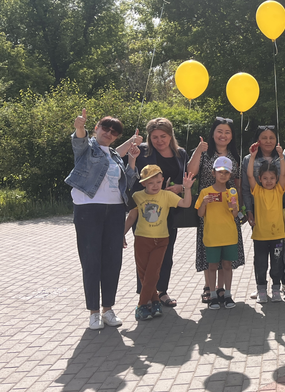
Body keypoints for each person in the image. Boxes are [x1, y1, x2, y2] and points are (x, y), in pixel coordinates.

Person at [67, 109, 141, 330]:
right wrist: (79, 126)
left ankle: (108, 309)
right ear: (96, 128)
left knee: (112, 261)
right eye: (105, 128)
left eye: (114, 132)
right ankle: (94, 312)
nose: (108, 133)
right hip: (88, 209)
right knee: (91, 261)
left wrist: (132, 160)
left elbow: (127, 181)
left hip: (115, 210)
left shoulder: (115, 155)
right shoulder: (87, 148)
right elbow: (79, 140)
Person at [129, 117, 188, 308]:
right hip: (144, 210)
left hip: (169, 210)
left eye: (163, 136)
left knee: (166, 253)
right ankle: (147, 295)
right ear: (149, 137)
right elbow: (131, 175)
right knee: (144, 256)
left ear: (170, 136)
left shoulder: (180, 153)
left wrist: (180, 187)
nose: (159, 140)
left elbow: (186, 178)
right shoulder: (142, 151)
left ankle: (162, 291)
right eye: (154, 137)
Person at [124, 165, 195, 321]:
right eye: (150, 183)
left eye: (158, 182)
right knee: (144, 274)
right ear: (143, 183)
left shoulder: (166, 195)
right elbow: (132, 217)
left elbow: (186, 204)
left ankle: (141, 305)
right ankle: (155, 301)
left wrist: (187, 188)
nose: (155, 186)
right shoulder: (137, 196)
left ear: (163, 180)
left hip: (162, 240)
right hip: (142, 239)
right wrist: (121, 234)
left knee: (153, 273)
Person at [187, 117, 245, 305]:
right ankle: (209, 287)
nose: (223, 135)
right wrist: (198, 150)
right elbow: (190, 172)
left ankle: (222, 288)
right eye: (219, 131)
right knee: (210, 251)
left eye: (227, 132)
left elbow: (238, 182)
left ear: (232, 136)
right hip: (208, 207)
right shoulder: (204, 152)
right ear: (213, 133)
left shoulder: (234, 155)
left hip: (228, 209)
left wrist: (240, 207)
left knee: (226, 252)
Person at [195, 156, 239, 309]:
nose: (223, 175)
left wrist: (233, 207)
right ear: (213, 173)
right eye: (220, 172)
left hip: (229, 235)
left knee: (227, 265)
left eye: (226, 172)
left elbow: (235, 215)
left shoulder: (232, 192)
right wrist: (204, 203)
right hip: (212, 236)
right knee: (212, 266)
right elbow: (200, 214)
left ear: (230, 175)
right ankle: (213, 295)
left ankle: (227, 294)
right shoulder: (205, 192)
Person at [246, 142, 285, 304]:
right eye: (265, 178)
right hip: (260, 236)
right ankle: (261, 289)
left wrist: (281, 156)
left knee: (277, 265)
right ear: (260, 179)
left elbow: (284, 174)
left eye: (272, 178)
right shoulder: (257, 190)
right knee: (261, 264)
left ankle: (276, 289)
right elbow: (249, 175)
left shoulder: (279, 190)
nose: (269, 181)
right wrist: (252, 157)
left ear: (276, 179)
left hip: (277, 236)